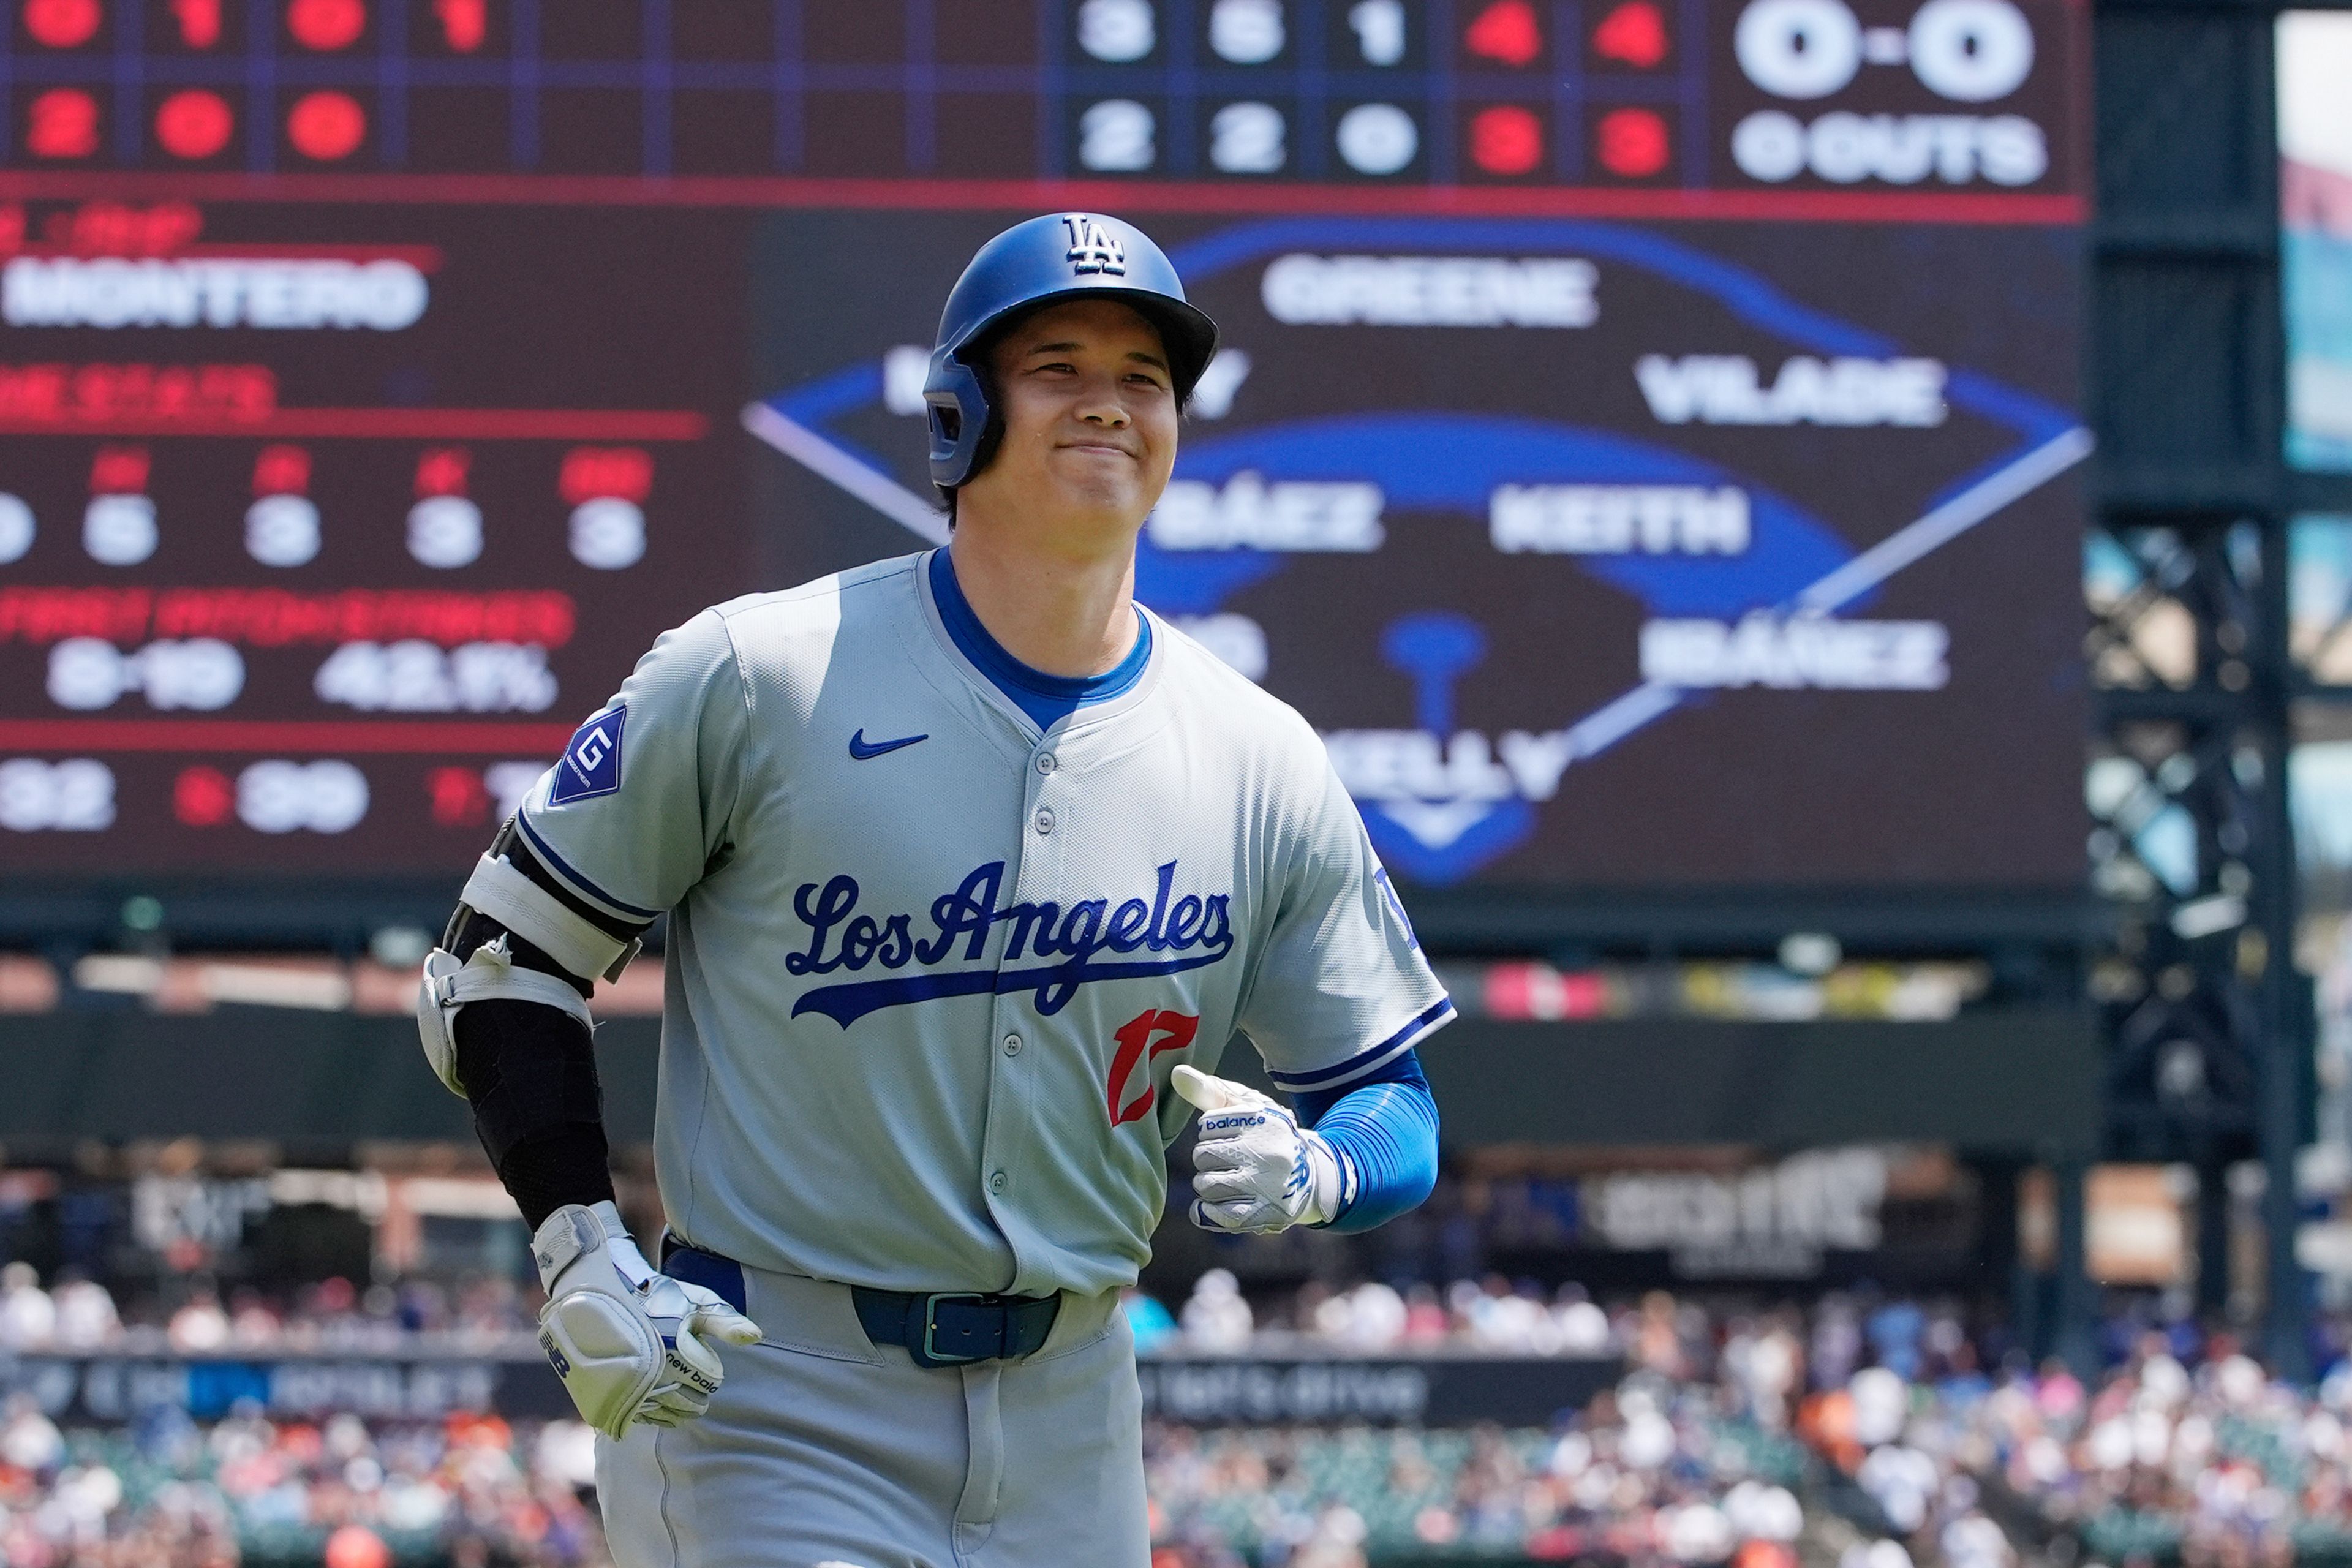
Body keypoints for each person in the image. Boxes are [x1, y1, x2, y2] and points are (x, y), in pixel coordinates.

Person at [416, 211, 1450, 1567]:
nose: (1109, 402)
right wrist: (577, 1239)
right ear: (960, 416)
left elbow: (1398, 1103)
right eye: (1059, 365)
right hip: (770, 1390)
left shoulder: (1257, 754)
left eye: (1145, 376)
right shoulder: (757, 675)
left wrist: (1321, 1166)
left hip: (1076, 1409)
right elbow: (499, 964)